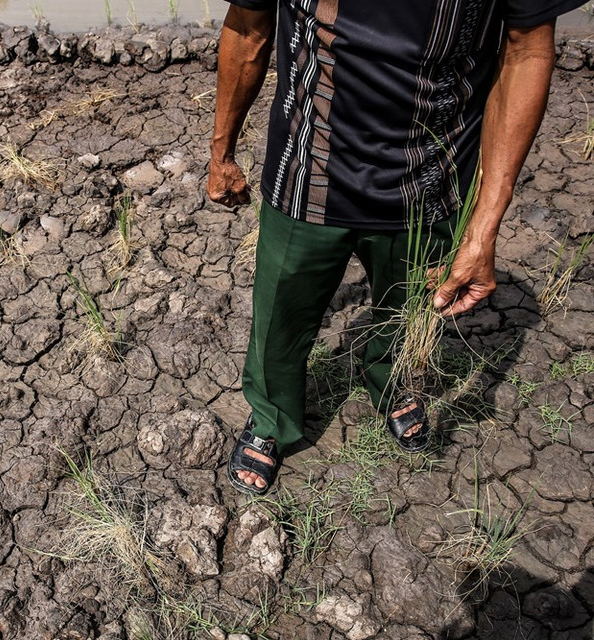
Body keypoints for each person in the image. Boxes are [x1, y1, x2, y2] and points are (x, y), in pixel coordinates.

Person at [209, 0, 585, 496]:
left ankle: (391, 380)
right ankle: (272, 414)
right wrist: (221, 151)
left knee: (406, 307)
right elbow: (248, 27)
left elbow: (527, 49)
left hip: (431, 175)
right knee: (281, 310)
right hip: (309, 168)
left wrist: (483, 228)